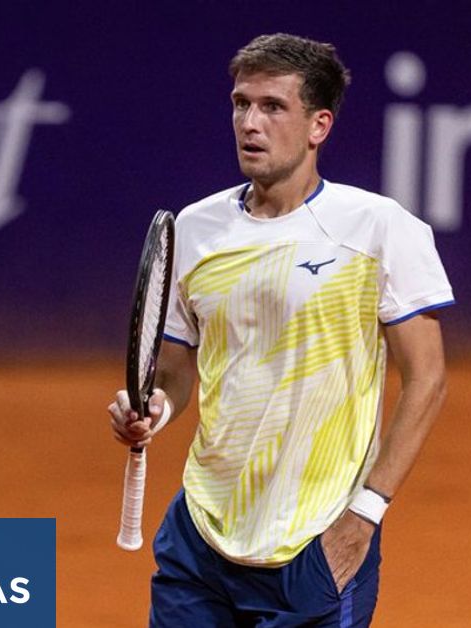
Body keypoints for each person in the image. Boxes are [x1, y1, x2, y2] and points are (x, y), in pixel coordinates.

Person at [108, 33, 453, 627]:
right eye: (241, 104)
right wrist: (152, 410)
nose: (250, 123)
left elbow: (428, 379)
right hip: (201, 539)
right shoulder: (196, 228)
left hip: (315, 544)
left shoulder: (378, 228)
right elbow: (174, 373)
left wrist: (365, 516)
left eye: (273, 107)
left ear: (319, 125)